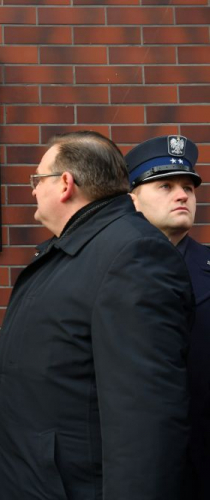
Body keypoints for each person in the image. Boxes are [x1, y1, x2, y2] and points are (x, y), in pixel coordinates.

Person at [0, 131, 193, 499]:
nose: (33, 190)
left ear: (65, 184)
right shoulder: (71, 250)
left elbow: (145, 418)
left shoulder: (132, 255)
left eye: (37, 180)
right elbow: (18, 350)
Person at [126, 134, 209, 500]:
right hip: (132, 462)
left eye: (189, 188)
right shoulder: (109, 268)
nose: (183, 195)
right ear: (132, 199)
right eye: (166, 186)